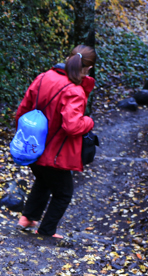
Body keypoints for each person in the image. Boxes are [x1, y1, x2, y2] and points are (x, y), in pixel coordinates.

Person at [14, 46, 96, 239]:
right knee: (64, 192)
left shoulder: (44, 77)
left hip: (33, 146)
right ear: (88, 68)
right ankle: (46, 231)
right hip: (55, 151)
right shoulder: (74, 91)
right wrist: (89, 121)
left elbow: (22, 110)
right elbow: (73, 126)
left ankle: (27, 218)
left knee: (43, 180)